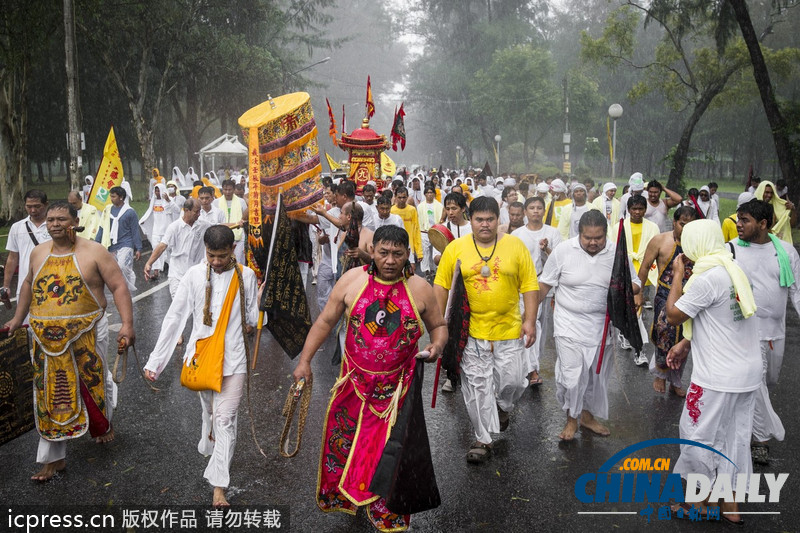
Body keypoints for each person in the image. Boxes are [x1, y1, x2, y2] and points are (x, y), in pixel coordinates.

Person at [292, 226, 447, 531]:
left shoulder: (420, 288)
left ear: (407, 255)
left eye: (397, 254)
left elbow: (439, 325)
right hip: (353, 384)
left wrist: (436, 345)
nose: (390, 261)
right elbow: (325, 320)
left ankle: (383, 507)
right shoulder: (352, 280)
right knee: (346, 443)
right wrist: (304, 361)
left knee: (388, 451)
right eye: (384, 253)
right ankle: (347, 497)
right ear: (372, 251)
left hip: (397, 391)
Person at [3, 201, 134, 481]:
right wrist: (17, 319)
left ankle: (102, 423)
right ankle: (53, 460)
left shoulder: (95, 252)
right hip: (44, 337)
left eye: (61, 219)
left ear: (75, 221)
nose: (54, 224)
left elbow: (119, 285)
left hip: (87, 330)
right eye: (50, 220)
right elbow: (27, 284)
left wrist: (127, 324)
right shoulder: (38, 253)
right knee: (50, 391)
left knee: (93, 381)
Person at [144, 225, 257, 507]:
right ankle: (212, 442)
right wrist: (156, 361)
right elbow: (175, 317)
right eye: (211, 255)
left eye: (221, 256)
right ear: (205, 251)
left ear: (233, 250)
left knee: (225, 420)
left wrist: (253, 319)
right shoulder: (194, 275)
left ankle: (219, 485)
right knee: (210, 414)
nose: (216, 262)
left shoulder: (247, 276)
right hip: (200, 359)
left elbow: (254, 319)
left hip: (234, 360)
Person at [665, 219, 760, 525]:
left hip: (717, 377)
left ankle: (699, 503)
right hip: (745, 375)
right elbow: (721, 322)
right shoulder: (734, 271)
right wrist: (686, 344)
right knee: (732, 438)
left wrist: (678, 275)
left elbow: (673, 313)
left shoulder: (707, 279)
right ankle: (730, 507)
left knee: (697, 436)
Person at [434, 197, 538, 462]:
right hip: (470, 333)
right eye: (479, 219)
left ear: (498, 219)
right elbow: (441, 286)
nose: (484, 224)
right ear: (470, 220)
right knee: (477, 387)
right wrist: (439, 326)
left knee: (512, 382)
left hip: (509, 330)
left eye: (490, 219)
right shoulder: (456, 248)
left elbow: (529, 285)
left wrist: (529, 320)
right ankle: (482, 439)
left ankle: (503, 409)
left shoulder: (515, 246)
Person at [538, 210, 641, 441]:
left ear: (606, 234)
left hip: (602, 326)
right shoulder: (564, 251)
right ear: (579, 234)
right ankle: (571, 419)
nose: (593, 242)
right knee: (572, 376)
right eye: (588, 238)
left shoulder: (616, 253)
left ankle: (587, 416)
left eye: (598, 238)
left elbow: (635, 285)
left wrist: (620, 287)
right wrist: (528, 318)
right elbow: (545, 284)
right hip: (568, 324)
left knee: (595, 377)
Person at [731, 199, 800, 465]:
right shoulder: (732, 250)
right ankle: (761, 440)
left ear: (763, 224)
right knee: (755, 383)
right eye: (738, 218)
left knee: (766, 384)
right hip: (746, 332)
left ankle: (751, 425)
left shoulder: (786, 252)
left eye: (745, 220)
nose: (738, 224)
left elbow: (796, 292)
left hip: (776, 333)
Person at [636, 206, 698, 397]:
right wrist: (638, 293)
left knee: (685, 337)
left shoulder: (698, 243)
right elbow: (645, 266)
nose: (685, 228)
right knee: (664, 333)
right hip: (664, 292)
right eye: (682, 224)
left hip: (689, 295)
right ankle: (661, 374)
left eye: (690, 225)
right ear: (674, 222)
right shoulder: (660, 240)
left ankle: (676, 380)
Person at [512, 196, 562, 386]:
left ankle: (533, 365)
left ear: (544, 210)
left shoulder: (553, 232)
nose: (535, 211)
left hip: (544, 283)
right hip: (522, 285)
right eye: (531, 208)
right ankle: (531, 369)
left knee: (540, 327)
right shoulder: (517, 234)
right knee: (530, 323)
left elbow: (558, 260)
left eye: (539, 208)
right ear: (525, 211)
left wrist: (547, 249)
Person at [620, 195, 660, 365]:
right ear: (628, 210)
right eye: (634, 209)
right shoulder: (619, 227)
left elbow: (657, 250)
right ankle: (625, 332)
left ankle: (639, 350)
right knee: (628, 309)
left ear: (645, 210)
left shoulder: (653, 227)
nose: (637, 212)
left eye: (640, 209)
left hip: (645, 271)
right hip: (624, 272)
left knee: (638, 310)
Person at [144, 198, 209, 298]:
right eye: (196, 211)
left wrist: (237, 224)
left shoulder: (203, 225)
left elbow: (218, 227)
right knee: (178, 307)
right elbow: (162, 246)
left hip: (196, 275)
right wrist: (149, 263)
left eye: (200, 211)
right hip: (177, 275)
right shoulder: (174, 227)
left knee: (196, 307)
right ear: (187, 210)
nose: (199, 214)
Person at [2, 190, 51, 309]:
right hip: (25, 287)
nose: (33, 210)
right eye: (29, 207)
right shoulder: (17, 227)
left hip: (53, 285)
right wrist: (6, 286)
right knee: (25, 324)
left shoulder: (55, 226)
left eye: (37, 206)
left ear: (46, 204)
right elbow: (13, 258)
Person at [96, 186, 141, 293]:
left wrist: (138, 248)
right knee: (116, 269)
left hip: (126, 243)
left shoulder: (130, 212)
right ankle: (123, 289)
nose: (111, 198)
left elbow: (135, 230)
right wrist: (96, 243)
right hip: (111, 244)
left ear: (121, 197)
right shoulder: (107, 210)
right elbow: (102, 227)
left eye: (113, 196)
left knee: (123, 266)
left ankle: (128, 287)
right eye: (110, 196)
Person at [139, 183, 177, 280]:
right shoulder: (153, 201)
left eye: (159, 190)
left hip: (167, 231)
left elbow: (177, 210)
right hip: (156, 231)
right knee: (155, 251)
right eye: (156, 190)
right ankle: (156, 272)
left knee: (169, 252)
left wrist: (168, 201)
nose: (157, 192)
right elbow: (149, 213)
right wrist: (143, 221)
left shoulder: (169, 200)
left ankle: (172, 271)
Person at [213, 179, 248, 264]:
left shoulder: (241, 201)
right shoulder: (216, 202)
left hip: (239, 236)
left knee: (239, 261)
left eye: (230, 190)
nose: (227, 192)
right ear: (222, 189)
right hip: (222, 236)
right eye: (225, 189)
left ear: (233, 189)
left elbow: (245, 218)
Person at [391, 186, 423, 270]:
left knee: (410, 272)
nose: (402, 200)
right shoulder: (391, 210)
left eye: (404, 197)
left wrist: (419, 252)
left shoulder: (412, 210)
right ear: (395, 197)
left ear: (407, 197)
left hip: (409, 247)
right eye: (399, 197)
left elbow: (416, 230)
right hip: (395, 246)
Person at [754, 180, 795, 244]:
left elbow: (791, 224)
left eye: (771, 193)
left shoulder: (775, 208)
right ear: (761, 192)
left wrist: (793, 210)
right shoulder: (752, 207)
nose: (769, 195)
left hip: (772, 243)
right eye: (767, 192)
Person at [417, 183, 443, 280]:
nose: (429, 194)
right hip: (424, 231)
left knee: (435, 251)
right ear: (425, 194)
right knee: (425, 252)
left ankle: (434, 269)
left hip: (436, 231)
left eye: (431, 192)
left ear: (434, 194)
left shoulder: (439, 206)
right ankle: (426, 270)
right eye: (427, 193)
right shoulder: (420, 206)